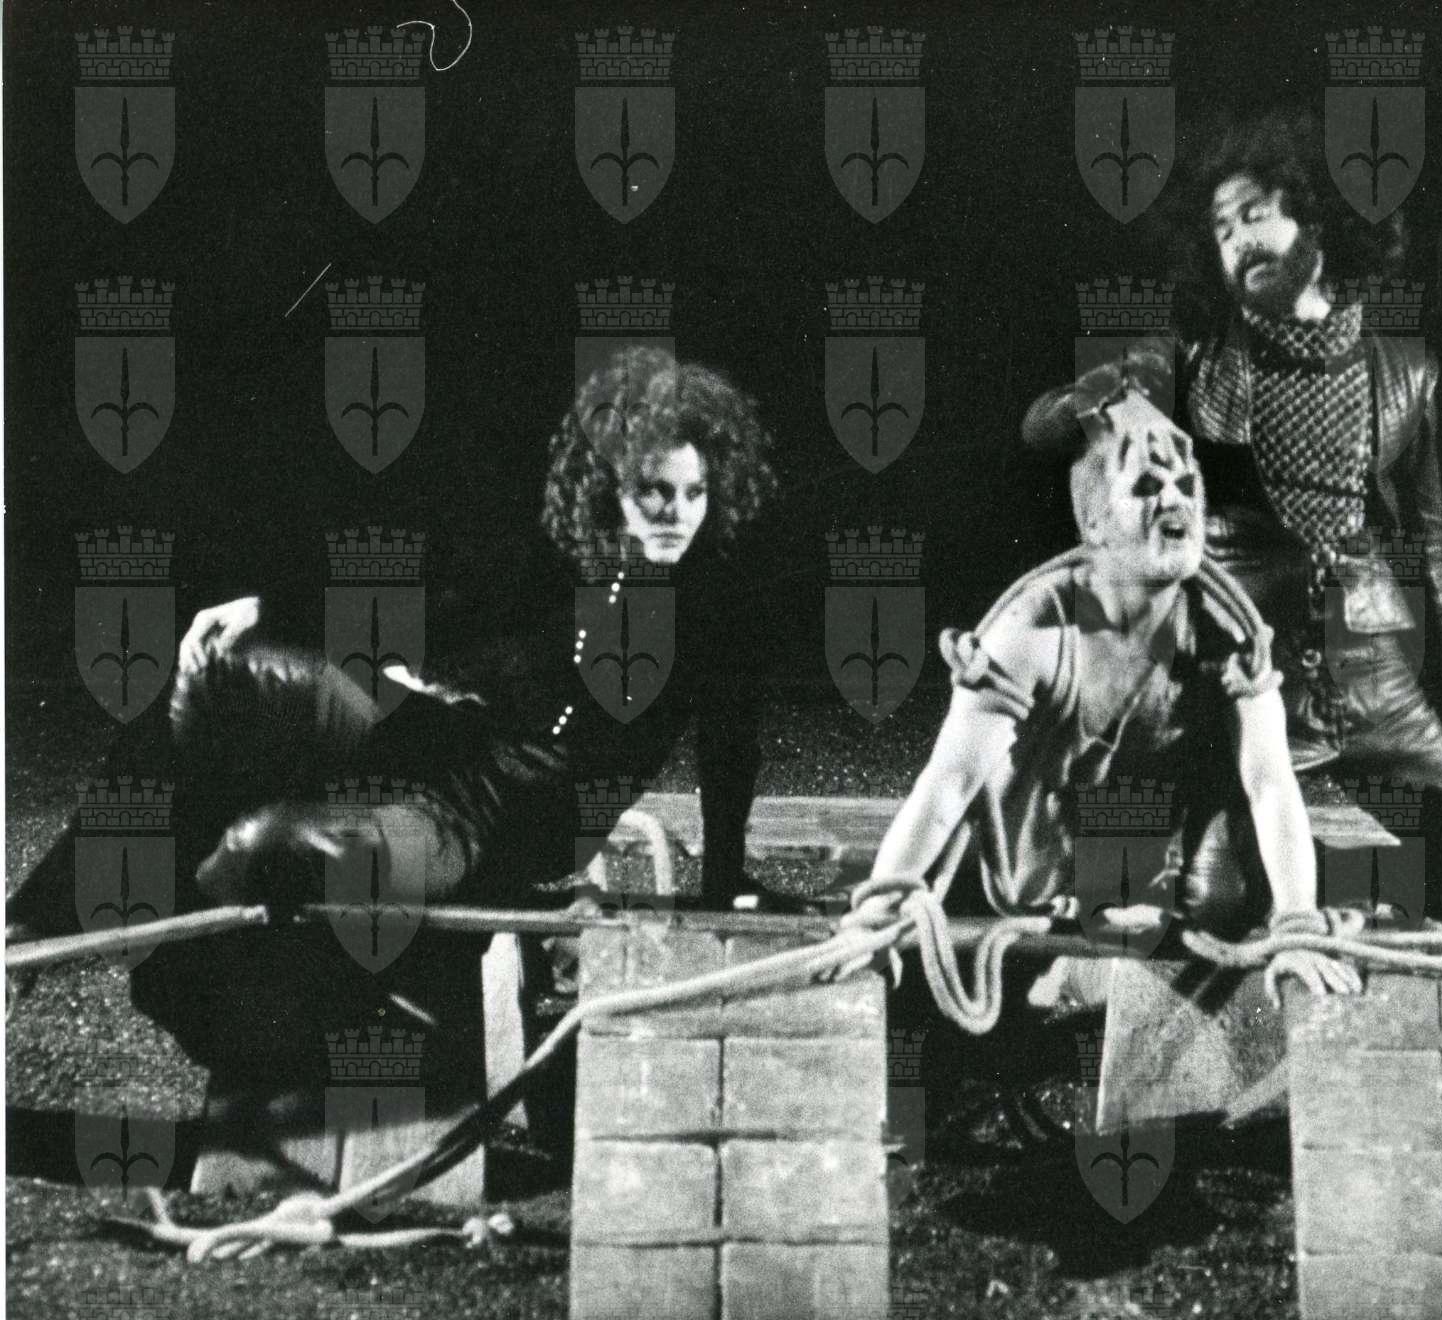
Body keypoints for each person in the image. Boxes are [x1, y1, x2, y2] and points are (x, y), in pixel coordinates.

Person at [8, 349, 783, 1074]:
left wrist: (721, 888)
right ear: (613, 485)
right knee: (212, 685)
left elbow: (729, 751)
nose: (676, 513)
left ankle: (192, 961)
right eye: (655, 490)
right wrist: (269, 607)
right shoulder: (561, 559)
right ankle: (27, 927)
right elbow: (423, 601)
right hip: (431, 738)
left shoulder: (717, 613)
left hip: (486, 825)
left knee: (268, 846)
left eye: (695, 493)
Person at [1026, 104, 1442, 926]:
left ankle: (1324, 878)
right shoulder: (1192, 356)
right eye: (1222, 229)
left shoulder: (1407, 369)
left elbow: (1428, 548)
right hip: (1243, 673)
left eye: (1254, 214)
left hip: (1372, 675)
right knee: (1216, 905)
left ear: (1316, 217)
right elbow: (1043, 426)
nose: (1237, 241)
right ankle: (1258, 871)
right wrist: (1114, 396)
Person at [850, 384, 1353, 998]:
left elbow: (1269, 780)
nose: (1174, 499)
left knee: (1222, 895)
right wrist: (876, 912)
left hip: (1165, 836)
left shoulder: (1228, 629)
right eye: (1145, 487)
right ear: (1094, 521)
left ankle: (1300, 885)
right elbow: (949, 782)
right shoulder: (1032, 631)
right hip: (1038, 854)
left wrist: (1298, 926)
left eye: (1186, 485)